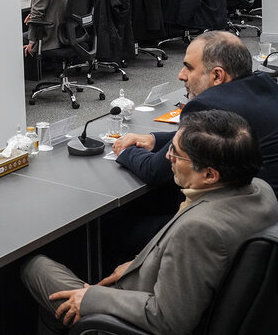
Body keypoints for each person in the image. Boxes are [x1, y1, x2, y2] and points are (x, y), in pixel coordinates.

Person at [22, 110, 278, 335]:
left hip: (131, 319)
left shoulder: (200, 229)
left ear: (210, 174)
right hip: (161, 287)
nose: (168, 158)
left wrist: (92, 298)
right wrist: (138, 264)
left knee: (34, 266)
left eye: (176, 154)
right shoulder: (261, 190)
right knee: (54, 312)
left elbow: (167, 320)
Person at [113, 31, 278, 195]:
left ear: (217, 75)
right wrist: (153, 140)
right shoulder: (266, 84)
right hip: (265, 201)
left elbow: (155, 171)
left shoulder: (205, 105)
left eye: (189, 67)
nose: (181, 75)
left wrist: (126, 150)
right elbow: (209, 136)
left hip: (235, 206)